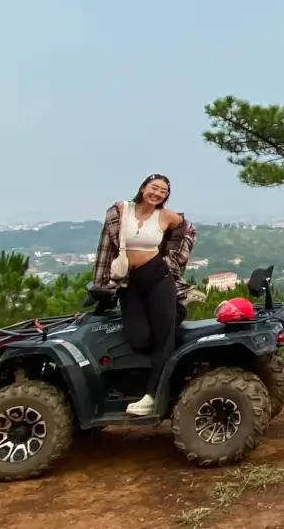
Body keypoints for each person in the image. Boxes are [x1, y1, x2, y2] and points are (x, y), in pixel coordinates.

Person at [92, 173, 197, 416]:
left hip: (158, 277)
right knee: (138, 338)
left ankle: (152, 394)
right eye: (154, 187)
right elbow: (105, 248)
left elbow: (188, 231)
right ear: (143, 187)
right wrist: (100, 285)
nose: (158, 193)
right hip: (129, 282)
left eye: (163, 191)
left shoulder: (167, 216)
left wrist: (174, 260)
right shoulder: (120, 210)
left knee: (164, 338)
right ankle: (177, 312)